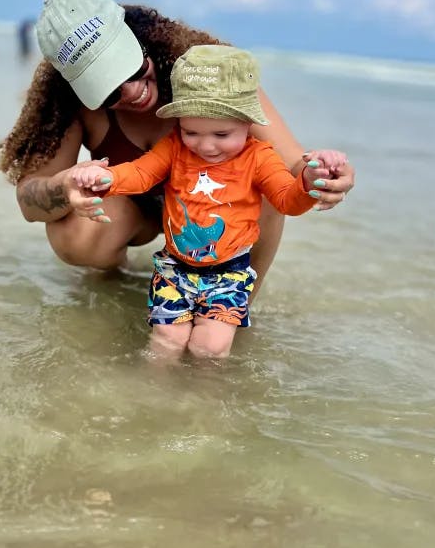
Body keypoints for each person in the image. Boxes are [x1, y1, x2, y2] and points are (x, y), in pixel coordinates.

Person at [0, 0, 355, 298]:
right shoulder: (73, 107)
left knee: (261, 182)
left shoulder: (208, 73)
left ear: (139, 35)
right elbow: (30, 202)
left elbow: (291, 166)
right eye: (108, 90)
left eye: (132, 68)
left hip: (217, 204)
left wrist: (322, 174)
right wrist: (63, 186)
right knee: (75, 235)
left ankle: (237, 303)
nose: (132, 92)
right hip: (139, 210)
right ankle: (113, 284)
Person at [69, 44, 344, 359]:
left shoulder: (260, 157)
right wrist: (104, 179)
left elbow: (287, 201)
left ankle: (206, 403)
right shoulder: (174, 147)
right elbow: (140, 175)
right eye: (192, 132)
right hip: (175, 268)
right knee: (166, 341)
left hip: (229, 273)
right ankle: (153, 399)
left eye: (222, 135)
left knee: (209, 347)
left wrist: (309, 180)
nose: (206, 146)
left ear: (248, 122)